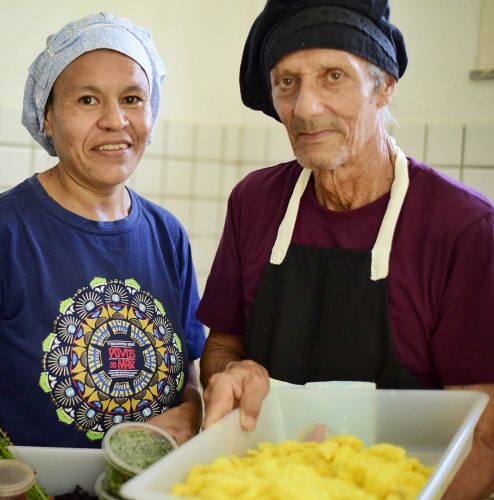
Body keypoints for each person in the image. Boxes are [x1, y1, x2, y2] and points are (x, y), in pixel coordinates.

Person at [0, 12, 206, 500]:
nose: (115, 120)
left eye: (132, 98)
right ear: (48, 117)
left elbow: (188, 382)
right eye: (86, 99)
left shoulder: (168, 236)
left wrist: (192, 412)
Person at [197, 1, 494, 498]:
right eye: (287, 82)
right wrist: (229, 371)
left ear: (384, 87)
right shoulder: (254, 203)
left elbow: (485, 436)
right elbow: (223, 346)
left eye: (333, 75)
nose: (306, 107)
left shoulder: (464, 229)